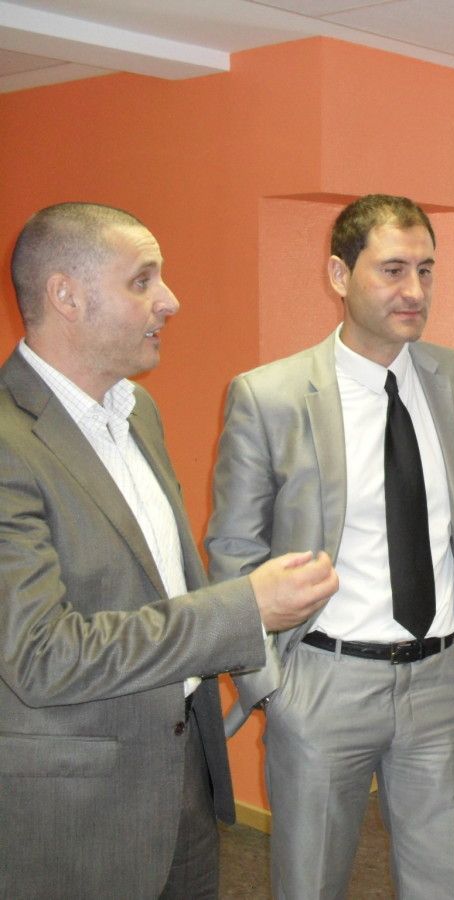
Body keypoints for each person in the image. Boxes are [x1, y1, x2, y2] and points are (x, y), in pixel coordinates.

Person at [0, 202, 337, 899]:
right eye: (142, 280)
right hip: (79, 808)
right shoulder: (8, 442)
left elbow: (156, 586)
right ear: (66, 295)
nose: (170, 300)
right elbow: (41, 655)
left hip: (182, 771)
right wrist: (245, 607)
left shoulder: (135, 412)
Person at [206, 194, 454, 899]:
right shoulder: (269, 396)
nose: (415, 291)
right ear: (338, 274)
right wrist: (268, 685)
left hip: (444, 681)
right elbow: (233, 550)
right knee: (309, 883)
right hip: (323, 685)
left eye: (427, 270)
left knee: (441, 884)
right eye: (393, 269)